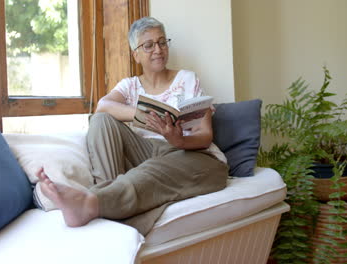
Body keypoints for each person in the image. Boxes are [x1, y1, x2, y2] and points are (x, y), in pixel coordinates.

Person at [36, 17, 229, 235]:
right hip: (148, 152)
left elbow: (205, 135)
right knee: (100, 120)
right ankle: (108, 200)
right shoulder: (130, 86)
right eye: (148, 45)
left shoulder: (187, 79)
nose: (158, 49)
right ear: (135, 54)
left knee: (152, 170)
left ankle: (93, 201)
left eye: (162, 42)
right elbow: (102, 106)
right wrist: (143, 116)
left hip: (192, 155)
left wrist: (179, 140)